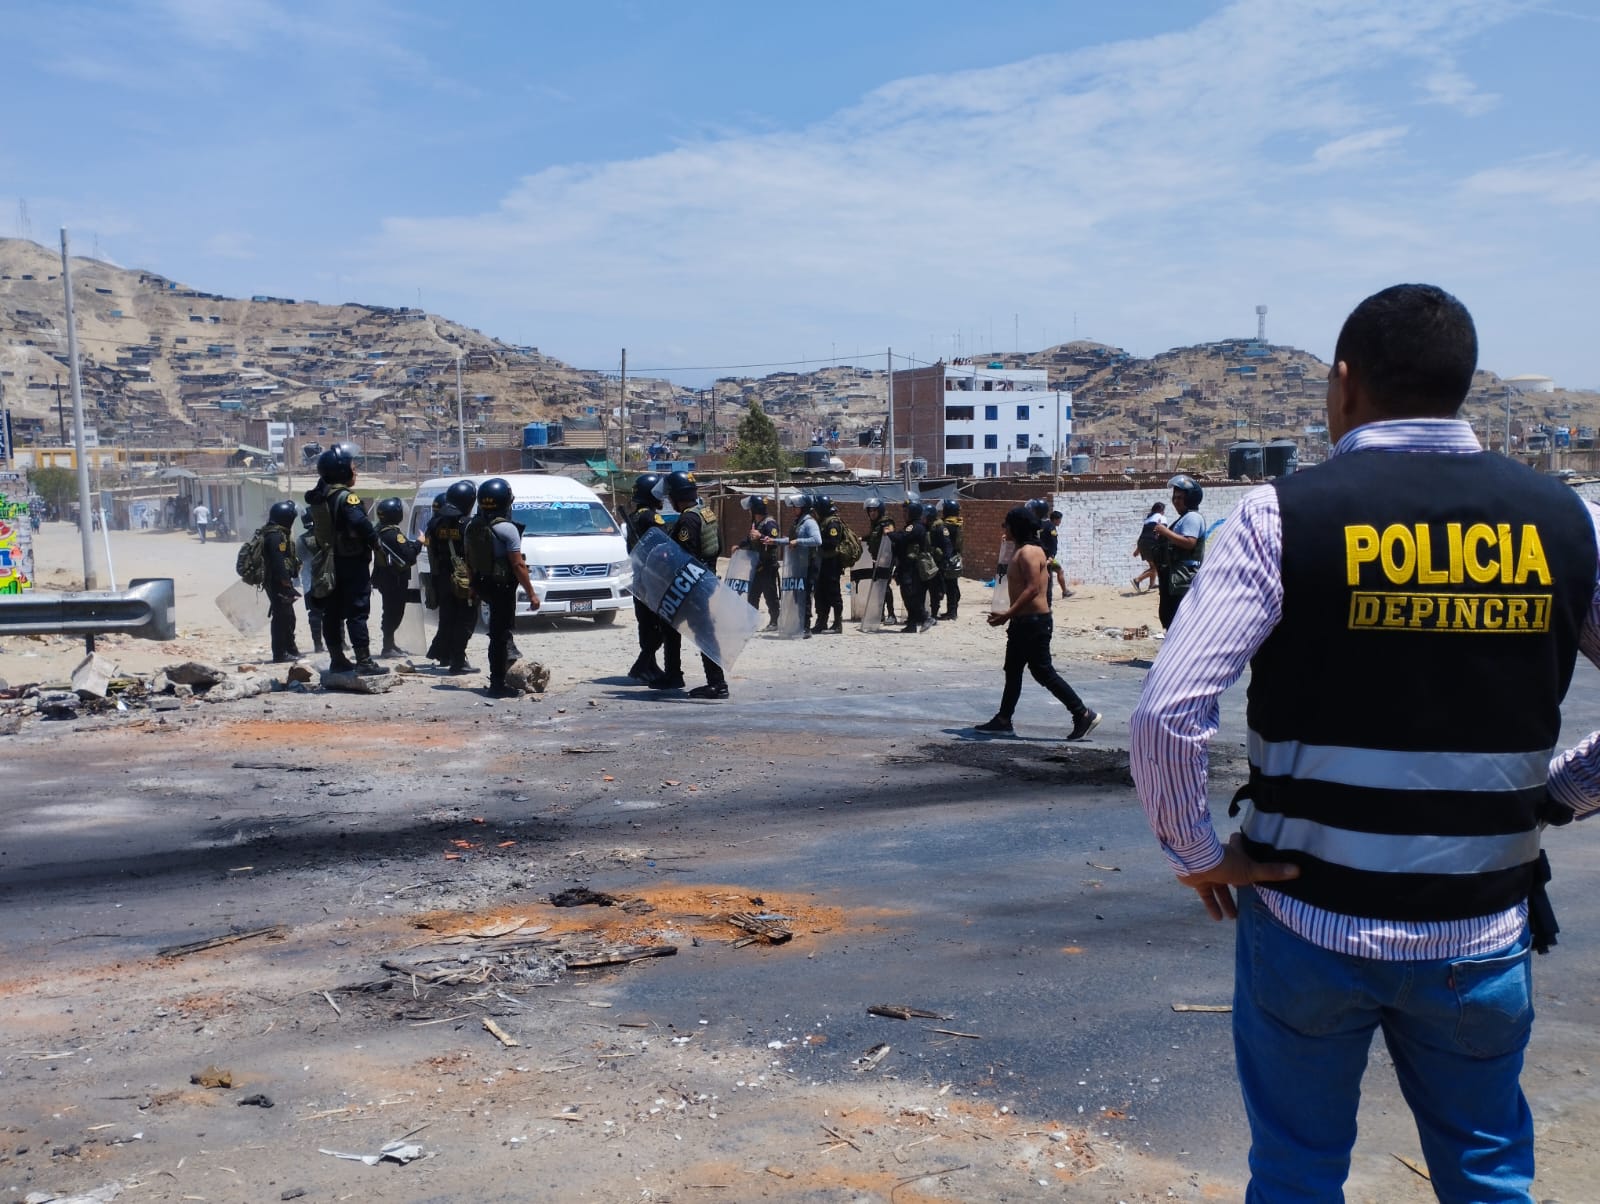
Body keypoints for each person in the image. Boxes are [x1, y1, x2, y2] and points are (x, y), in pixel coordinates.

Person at [1128, 282, 1600, 1203]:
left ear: (1343, 383)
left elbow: (1167, 711)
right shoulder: (1560, 521)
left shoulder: (1281, 516)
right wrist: (1562, 792)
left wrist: (1197, 854)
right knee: (1487, 1173)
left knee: (1299, 1173)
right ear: (1460, 385)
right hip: (1479, 934)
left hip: (1309, 921)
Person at [976, 506, 1100, 739]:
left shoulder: (1029, 552)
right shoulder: (1022, 550)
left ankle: (1083, 714)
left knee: (1043, 672)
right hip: (1024, 622)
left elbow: (1033, 588)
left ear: (1016, 527)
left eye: (1007, 524)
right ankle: (1003, 719)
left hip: (1033, 622)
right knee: (1012, 669)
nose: (1005, 528)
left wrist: (1007, 614)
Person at [304, 443, 386, 675]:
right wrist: (375, 542)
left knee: (332, 612)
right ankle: (364, 661)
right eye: (352, 467)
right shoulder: (345, 498)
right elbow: (360, 522)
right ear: (342, 471)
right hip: (351, 563)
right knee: (357, 611)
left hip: (330, 563)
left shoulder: (323, 494)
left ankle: (337, 658)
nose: (356, 471)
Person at [465, 478, 539, 697]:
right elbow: (517, 564)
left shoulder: (472, 525)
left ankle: (503, 670)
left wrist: (472, 586)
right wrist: (532, 593)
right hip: (501, 588)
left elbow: (468, 559)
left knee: (498, 633)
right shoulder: (507, 529)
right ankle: (497, 684)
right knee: (500, 635)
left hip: (482, 584)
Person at [663, 471, 728, 698]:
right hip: (707, 577)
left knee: (704, 634)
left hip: (694, 584)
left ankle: (717, 684)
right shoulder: (706, 512)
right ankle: (673, 674)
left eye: (671, 495)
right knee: (673, 626)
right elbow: (718, 544)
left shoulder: (688, 519)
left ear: (678, 496)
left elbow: (684, 555)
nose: (669, 500)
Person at [426, 479, 479, 673]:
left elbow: (431, 550)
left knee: (447, 618)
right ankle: (458, 661)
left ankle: (443, 654)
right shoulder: (469, 525)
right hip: (464, 581)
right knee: (466, 620)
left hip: (441, 578)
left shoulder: (435, 522)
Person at [624, 473, 670, 686]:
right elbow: (666, 545)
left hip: (640, 578)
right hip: (653, 579)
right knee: (656, 627)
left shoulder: (634, 517)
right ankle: (643, 667)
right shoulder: (650, 518)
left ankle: (648, 666)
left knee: (647, 624)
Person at [1152, 475, 1206, 629]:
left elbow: (1189, 543)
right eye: (1174, 498)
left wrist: (1165, 532)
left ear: (1190, 499)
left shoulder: (1192, 517)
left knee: (1179, 620)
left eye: (1180, 498)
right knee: (1170, 617)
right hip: (1174, 578)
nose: (1176, 501)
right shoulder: (1183, 519)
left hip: (1182, 579)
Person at [372, 497, 421, 657]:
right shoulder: (393, 534)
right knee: (394, 612)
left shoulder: (379, 530)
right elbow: (409, 555)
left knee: (389, 610)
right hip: (395, 579)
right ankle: (388, 647)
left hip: (384, 577)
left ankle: (390, 644)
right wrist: (420, 542)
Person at [260, 501, 302, 663]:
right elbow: (278, 562)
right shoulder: (276, 536)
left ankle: (290, 648)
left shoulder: (271, 532)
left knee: (288, 616)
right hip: (277, 582)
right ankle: (279, 653)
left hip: (276, 581)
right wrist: (286, 582)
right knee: (281, 618)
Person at [775, 493, 821, 636]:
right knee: (797, 595)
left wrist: (798, 542)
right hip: (797, 564)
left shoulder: (809, 523)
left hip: (808, 564)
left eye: (796, 506)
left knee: (805, 595)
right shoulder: (798, 522)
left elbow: (817, 540)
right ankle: (799, 623)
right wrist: (773, 541)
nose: (793, 509)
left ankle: (806, 627)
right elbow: (791, 540)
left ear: (804, 508)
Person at [891, 500, 932, 633]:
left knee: (911, 595)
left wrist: (890, 533)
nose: (904, 514)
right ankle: (912, 624)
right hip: (906, 566)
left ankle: (925, 618)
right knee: (907, 595)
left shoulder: (916, 527)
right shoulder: (912, 526)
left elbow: (902, 538)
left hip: (912, 567)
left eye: (906, 511)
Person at [742, 494, 781, 628]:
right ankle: (751, 622)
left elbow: (773, 542)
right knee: (753, 595)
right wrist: (739, 546)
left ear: (755, 510)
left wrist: (761, 536)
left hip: (768, 565)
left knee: (770, 595)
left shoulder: (769, 523)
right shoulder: (756, 523)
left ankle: (775, 621)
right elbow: (749, 540)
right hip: (757, 566)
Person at [812, 495, 847, 634]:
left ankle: (838, 624)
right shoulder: (823, 522)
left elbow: (833, 543)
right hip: (822, 562)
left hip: (832, 563)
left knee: (833, 594)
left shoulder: (833, 523)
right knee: (820, 593)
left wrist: (817, 542)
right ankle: (821, 622)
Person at [864, 496, 898, 625]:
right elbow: (873, 538)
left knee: (885, 587)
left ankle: (891, 615)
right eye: (870, 511)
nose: (872, 513)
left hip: (886, 560)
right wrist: (862, 539)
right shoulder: (876, 524)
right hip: (876, 560)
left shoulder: (886, 522)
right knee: (878, 588)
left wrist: (887, 531)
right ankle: (881, 614)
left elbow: (890, 535)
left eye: (874, 511)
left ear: (880, 511)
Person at [297, 507, 325, 653]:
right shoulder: (327, 536)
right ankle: (342, 642)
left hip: (309, 582)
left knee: (314, 614)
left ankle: (318, 645)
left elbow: (299, 561)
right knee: (334, 613)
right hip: (329, 580)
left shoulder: (302, 540)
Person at [926, 502, 956, 620]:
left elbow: (947, 544)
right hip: (932, 561)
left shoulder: (940, 527)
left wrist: (946, 560)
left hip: (940, 562)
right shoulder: (930, 526)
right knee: (939, 587)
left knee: (942, 588)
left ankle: (943, 612)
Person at [1132, 502, 1167, 593]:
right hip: (1151, 544)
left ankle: (1152, 584)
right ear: (1161, 510)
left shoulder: (1148, 519)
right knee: (1156, 567)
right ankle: (1137, 580)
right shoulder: (1161, 518)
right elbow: (1163, 533)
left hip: (1142, 543)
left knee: (1153, 565)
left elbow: (1143, 535)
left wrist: (1137, 550)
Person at [938, 499, 964, 620]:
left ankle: (952, 612)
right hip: (955, 556)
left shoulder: (948, 525)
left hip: (948, 557)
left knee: (949, 585)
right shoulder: (957, 523)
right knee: (953, 584)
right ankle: (952, 610)